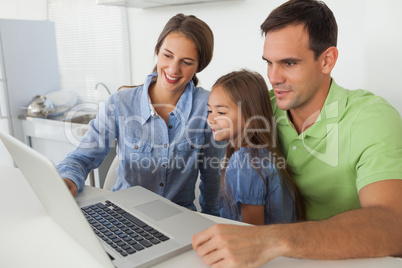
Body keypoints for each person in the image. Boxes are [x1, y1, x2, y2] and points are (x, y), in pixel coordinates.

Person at [192, 0, 402, 266]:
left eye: (289, 63)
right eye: (269, 62)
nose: (274, 77)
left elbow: (394, 225)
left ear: (327, 60)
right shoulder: (260, 109)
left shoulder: (371, 118)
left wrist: (270, 239)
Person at [57, 13, 221, 215]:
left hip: (178, 218)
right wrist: (67, 180)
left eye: (186, 62)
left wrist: (213, 222)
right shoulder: (120, 103)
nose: (173, 68)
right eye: (167, 55)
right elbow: (82, 157)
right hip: (122, 215)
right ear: (157, 51)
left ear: (199, 66)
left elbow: (212, 177)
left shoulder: (208, 106)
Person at [206, 70, 304, 225]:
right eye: (210, 110)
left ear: (251, 118)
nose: (210, 118)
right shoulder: (257, 154)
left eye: (221, 112)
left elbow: (251, 233)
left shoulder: (246, 162)